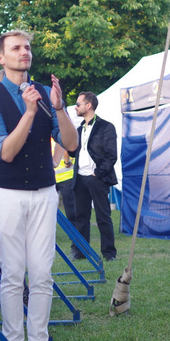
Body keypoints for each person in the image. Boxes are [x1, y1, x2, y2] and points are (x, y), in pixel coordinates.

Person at [0, 29, 77, 341]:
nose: (25, 52)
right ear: (1, 57)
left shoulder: (46, 93)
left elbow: (71, 143)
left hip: (44, 191)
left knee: (43, 272)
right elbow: (5, 152)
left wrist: (59, 109)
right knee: (12, 273)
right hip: (8, 193)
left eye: (28, 47)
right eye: (16, 47)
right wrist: (30, 113)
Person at [70, 91, 118, 261]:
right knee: (81, 218)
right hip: (80, 178)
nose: (75, 107)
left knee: (103, 216)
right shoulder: (78, 129)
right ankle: (80, 252)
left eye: (78, 104)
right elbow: (73, 152)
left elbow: (111, 155)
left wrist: (97, 172)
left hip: (97, 178)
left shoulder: (106, 127)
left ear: (88, 105)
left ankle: (109, 253)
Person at [52, 139, 80, 259]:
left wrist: (67, 161)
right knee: (71, 213)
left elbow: (64, 146)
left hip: (63, 176)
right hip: (58, 177)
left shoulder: (54, 132)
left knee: (71, 214)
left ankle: (76, 246)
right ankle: (76, 245)